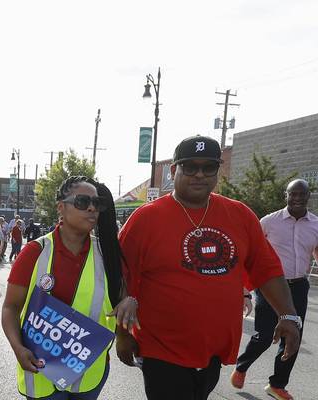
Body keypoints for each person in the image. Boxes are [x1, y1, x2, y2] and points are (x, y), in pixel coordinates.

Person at [117, 136, 301, 400]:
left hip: (213, 350)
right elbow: (120, 278)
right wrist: (122, 334)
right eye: (190, 167)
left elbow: (266, 268)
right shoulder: (146, 219)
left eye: (208, 167)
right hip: (161, 349)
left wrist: (288, 315)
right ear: (173, 170)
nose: (199, 174)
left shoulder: (240, 215)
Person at [1, 176, 130, 399]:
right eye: (82, 202)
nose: (91, 208)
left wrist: (130, 301)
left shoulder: (107, 254)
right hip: (41, 369)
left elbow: (122, 299)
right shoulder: (34, 252)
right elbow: (10, 308)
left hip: (89, 371)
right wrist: (17, 347)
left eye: (96, 203)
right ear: (61, 207)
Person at [232, 179, 318, 400]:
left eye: (302, 194)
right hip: (269, 286)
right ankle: (242, 366)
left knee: (293, 337)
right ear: (286, 196)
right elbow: (249, 256)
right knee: (263, 337)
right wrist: (244, 291)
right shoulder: (268, 222)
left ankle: (277, 385)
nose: (298, 198)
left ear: (308, 196)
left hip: (298, 286)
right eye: (293, 194)